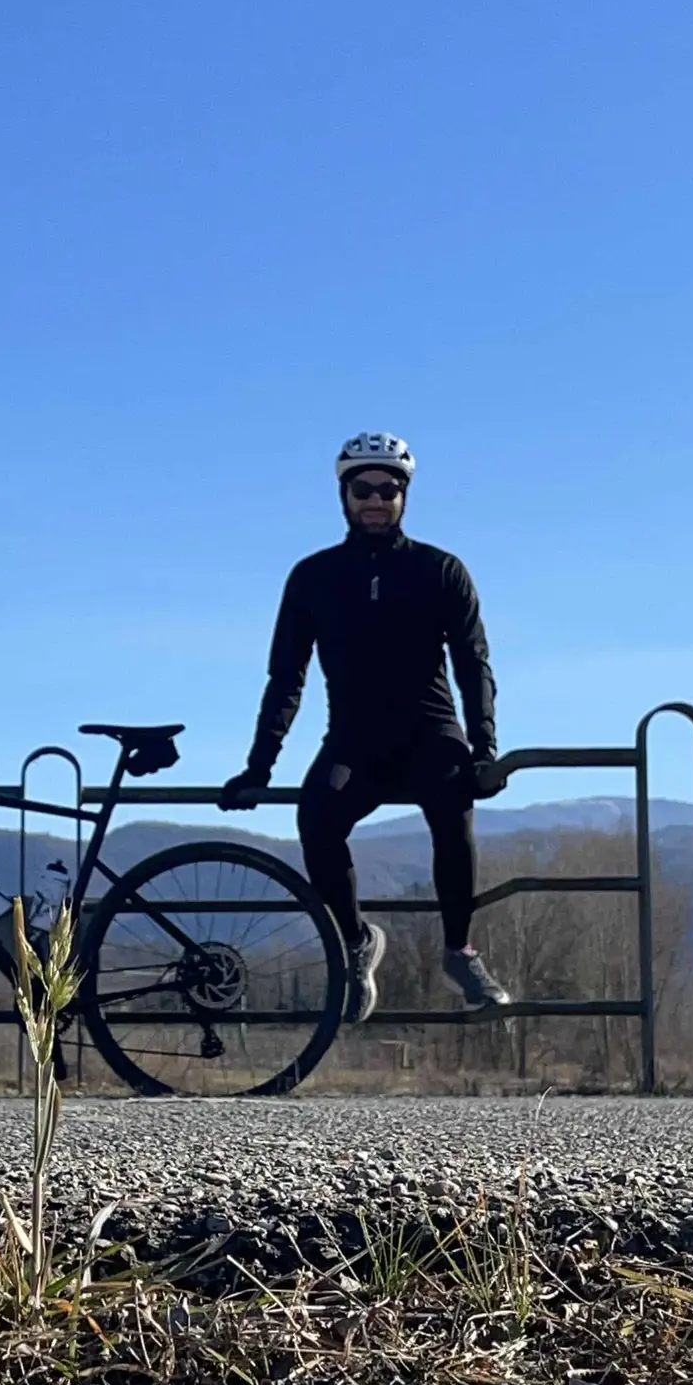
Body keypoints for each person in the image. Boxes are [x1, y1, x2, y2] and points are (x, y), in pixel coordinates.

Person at [218, 431, 512, 1024]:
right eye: (363, 490)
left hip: (431, 732)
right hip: (355, 739)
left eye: (388, 489)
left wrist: (486, 749)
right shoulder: (313, 577)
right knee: (316, 821)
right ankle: (355, 942)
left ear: (405, 495)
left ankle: (460, 952)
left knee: (454, 817)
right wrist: (258, 767)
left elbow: (474, 663)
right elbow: (286, 677)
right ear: (344, 495)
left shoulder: (441, 570)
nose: (376, 500)